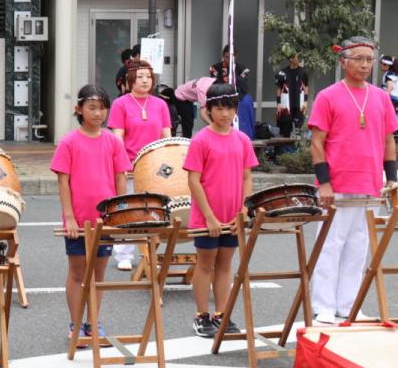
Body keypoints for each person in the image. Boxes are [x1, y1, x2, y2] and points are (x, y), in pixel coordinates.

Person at [309, 37, 398, 325]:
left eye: (369, 60)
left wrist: (393, 178)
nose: (364, 64)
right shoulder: (328, 96)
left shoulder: (382, 97)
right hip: (337, 183)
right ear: (343, 61)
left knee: (359, 247)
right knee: (330, 244)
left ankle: (349, 305)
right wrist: (324, 183)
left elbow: (388, 140)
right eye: (358, 58)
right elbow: (317, 142)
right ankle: (323, 305)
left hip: (370, 184)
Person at [51, 85, 130, 345]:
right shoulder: (69, 142)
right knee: (77, 272)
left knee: (98, 274)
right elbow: (64, 182)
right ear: (79, 110)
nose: (98, 113)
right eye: (92, 107)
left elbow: (121, 177)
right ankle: (75, 323)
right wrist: (69, 217)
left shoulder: (113, 141)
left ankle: (92, 322)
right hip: (78, 219)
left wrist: (118, 212)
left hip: (104, 220)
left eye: (102, 107)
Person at [184, 83, 257, 338]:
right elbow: (194, 180)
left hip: (233, 214)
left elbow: (247, 177)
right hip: (207, 215)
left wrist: (245, 210)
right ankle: (202, 315)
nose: (224, 114)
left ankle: (222, 314)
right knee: (205, 263)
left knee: (225, 264)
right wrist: (209, 216)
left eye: (229, 108)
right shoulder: (201, 139)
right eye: (218, 108)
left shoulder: (242, 139)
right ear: (209, 110)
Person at [108, 59, 172, 271]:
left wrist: (168, 161)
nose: (145, 81)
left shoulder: (161, 104)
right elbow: (118, 137)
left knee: (152, 209)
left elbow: (166, 136)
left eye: (149, 77)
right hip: (129, 162)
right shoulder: (120, 104)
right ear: (130, 79)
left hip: (154, 164)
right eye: (140, 77)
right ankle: (123, 254)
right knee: (128, 208)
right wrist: (121, 164)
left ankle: (150, 250)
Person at [274, 51, 308, 139]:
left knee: (298, 131)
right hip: (286, 106)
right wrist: (278, 103)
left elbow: (306, 87)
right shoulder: (282, 73)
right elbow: (278, 88)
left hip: (298, 105)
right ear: (291, 59)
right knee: (284, 131)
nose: (299, 59)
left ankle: (296, 151)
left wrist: (305, 101)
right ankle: (282, 151)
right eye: (297, 57)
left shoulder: (303, 72)